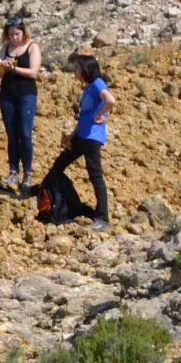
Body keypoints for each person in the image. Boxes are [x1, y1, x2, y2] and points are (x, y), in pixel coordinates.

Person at [42, 49, 113, 230]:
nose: (74, 71)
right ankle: (67, 203)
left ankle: (102, 218)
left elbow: (111, 101)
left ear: (86, 69)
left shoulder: (97, 83)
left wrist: (100, 114)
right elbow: (84, 116)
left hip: (92, 138)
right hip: (81, 136)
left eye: (77, 68)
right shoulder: (88, 87)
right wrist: (72, 135)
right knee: (58, 167)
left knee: (95, 176)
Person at [0, 16, 40, 192]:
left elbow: (34, 72)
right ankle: (13, 170)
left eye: (17, 34)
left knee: (25, 133)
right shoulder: (6, 48)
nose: (14, 38)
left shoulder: (32, 47)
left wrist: (14, 68)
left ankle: (27, 172)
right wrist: (2, 66)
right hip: (7, 94)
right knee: (11, 134)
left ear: (23, 32)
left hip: (26, 94)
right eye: (11, 34)